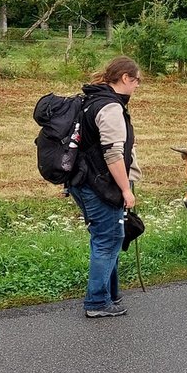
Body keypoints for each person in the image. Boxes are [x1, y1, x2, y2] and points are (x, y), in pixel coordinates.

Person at [67, 55, 143, 318]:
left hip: (82, 181)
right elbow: (113, 153)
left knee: (107, 238)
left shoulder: (90, 100)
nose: (137, 87)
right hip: (101, 185)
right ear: (125, 78)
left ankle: (110, 294)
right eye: (136, 81)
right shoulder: (110, 108)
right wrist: (125, 189)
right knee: (108, 240)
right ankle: (97, 302)